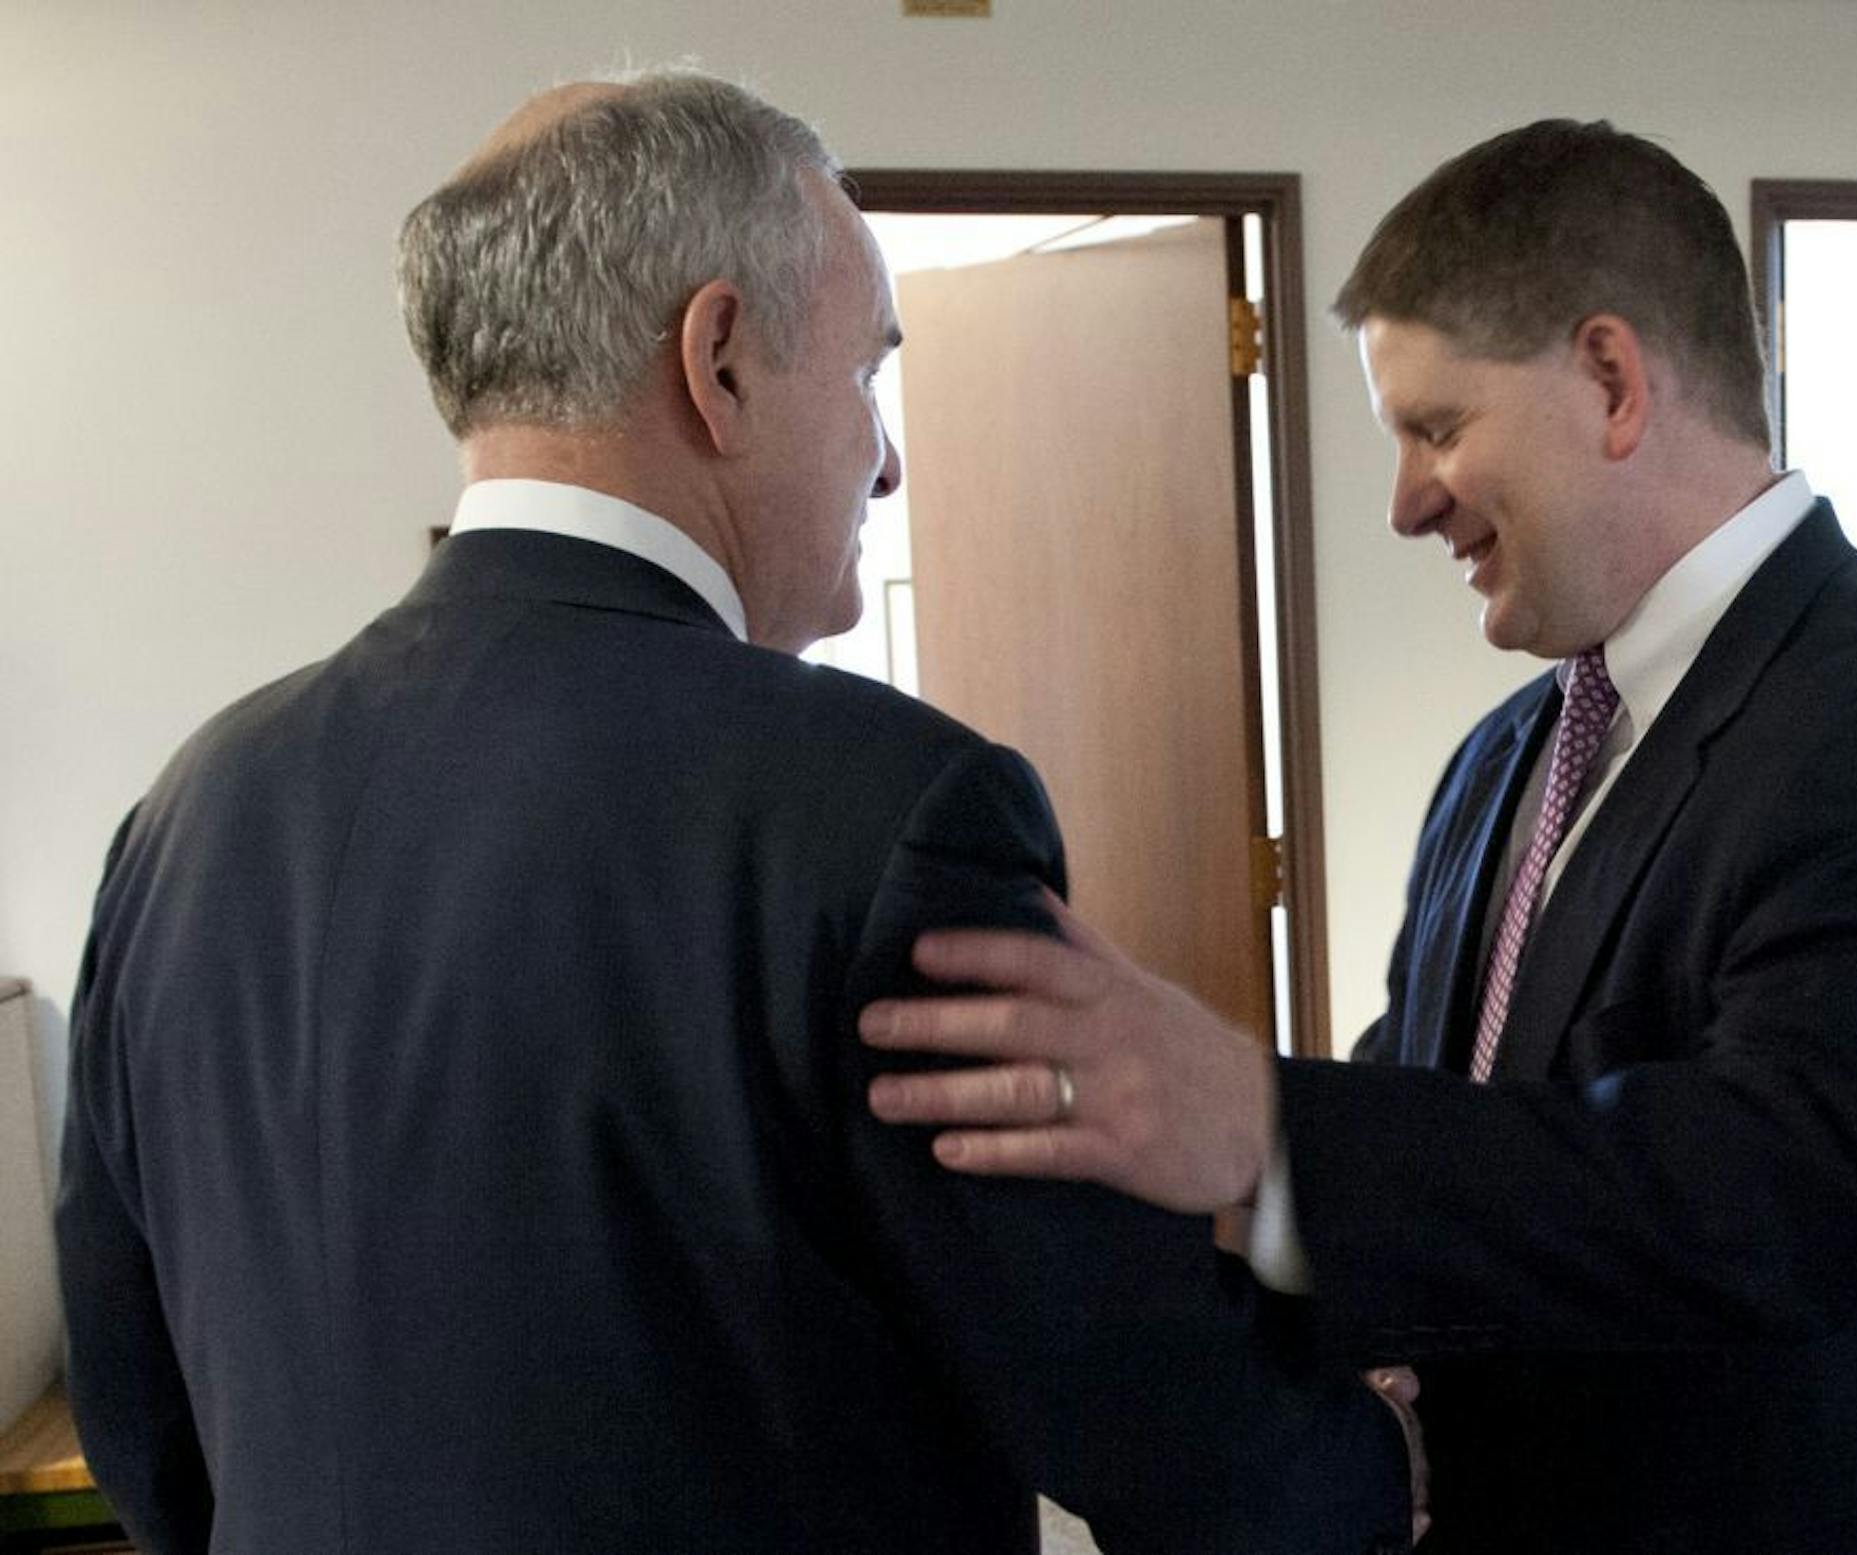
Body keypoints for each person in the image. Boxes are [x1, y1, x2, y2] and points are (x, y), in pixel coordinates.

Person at [52, 70, 1420, 1555]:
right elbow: (1131, 1397)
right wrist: (1379, 1453)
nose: (887, 459)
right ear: (717, 362)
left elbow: (141, 1415)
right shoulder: (887, 812)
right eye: (866, 374)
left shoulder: (187, 814)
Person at [862, 119, 1857, 1554]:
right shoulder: (1507, 751)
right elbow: (1441, 1101)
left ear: (1612, 382)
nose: (1403, 504)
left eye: (1436, 429)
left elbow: (1787, 1197)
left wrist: (1263, 1127)